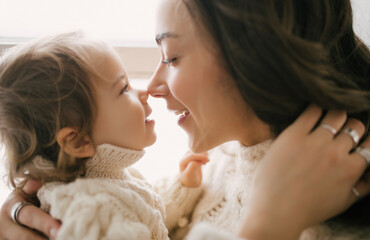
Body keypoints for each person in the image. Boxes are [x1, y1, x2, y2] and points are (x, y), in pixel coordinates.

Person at [1, 0, 370, 239]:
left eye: (172, 57)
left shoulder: (322, 218)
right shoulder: (225, 156)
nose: (154, 86)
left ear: (254, 60)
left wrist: (268, 225)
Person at [0, 31, 211, 240]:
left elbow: (147, 215)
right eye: (124, 88)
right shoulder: (91, 209)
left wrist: (182, 187)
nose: (145, 92)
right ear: (78, 141)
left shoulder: (107, 179)